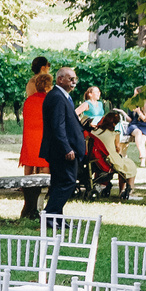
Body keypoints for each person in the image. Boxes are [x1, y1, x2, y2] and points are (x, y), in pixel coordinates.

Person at [43, 66, 88, 215]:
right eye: (71, 79)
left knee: (60, 183)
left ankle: (56, 217)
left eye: (75, 79)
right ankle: (50, 214)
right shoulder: (57, 97)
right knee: (67, 182)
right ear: (60, 79)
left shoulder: (63, 96)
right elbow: (58, 126)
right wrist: (66, 148)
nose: (74, 82)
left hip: (63, 149)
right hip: (62, 151)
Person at [17, 56, 52, 221]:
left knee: (30, 159)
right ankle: (44, 190)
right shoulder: (47, 97)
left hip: (30, 130)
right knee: (44, 160)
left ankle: (27, 189)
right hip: (41, 131)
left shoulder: (29, 98)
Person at [92, 108, 139, 197]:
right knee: (129, 165)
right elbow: (118, 149)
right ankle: (127, 190)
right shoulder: (114, 134)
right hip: (109, 160)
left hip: (96, 160)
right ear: (114, 124)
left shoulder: (94, 132)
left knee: (123, 165)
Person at [125, 89, 146, 168]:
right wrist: (124, 114)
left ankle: (143, 162)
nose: (134, 96)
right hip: (134, 125)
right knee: (138, 132)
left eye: (136, 94)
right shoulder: (132, 104)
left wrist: (138, 112)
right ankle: (141, 153)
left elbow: (145, 119)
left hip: (144, 125)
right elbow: (130, 119)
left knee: (142, 141)